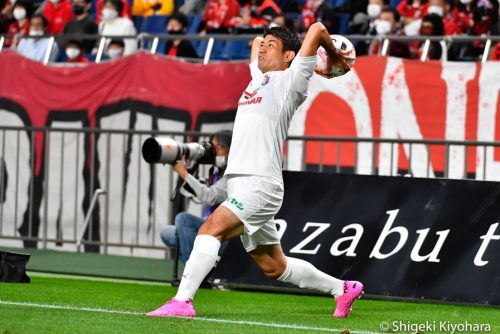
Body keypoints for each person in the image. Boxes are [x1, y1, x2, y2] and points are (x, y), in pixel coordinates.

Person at [146, 23, 363, 319]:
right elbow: (257, 41)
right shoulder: (258, 78)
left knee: (210, 229)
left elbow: (317, 28)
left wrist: (332, 54)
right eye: (264, 45)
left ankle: (183, 302)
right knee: (274, 266)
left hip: (259, 183)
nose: (262, 47)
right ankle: (343, 288)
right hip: (241, 183)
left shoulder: (293, 80)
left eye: (271, 46)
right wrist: (269, 40)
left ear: (290, 56)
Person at [160, 130, 232, 265]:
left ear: (231, 149)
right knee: (167, 233)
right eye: (212, 146)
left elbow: (210, 197)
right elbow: (194, 194)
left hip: (225, 234)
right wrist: (189, 171)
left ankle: (194, 271)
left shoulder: (231, 175)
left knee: (183, 220)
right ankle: (205, 270)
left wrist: (185, 174)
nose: (213, 151)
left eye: (218, 147)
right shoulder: (216, 172)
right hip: (209, 227)